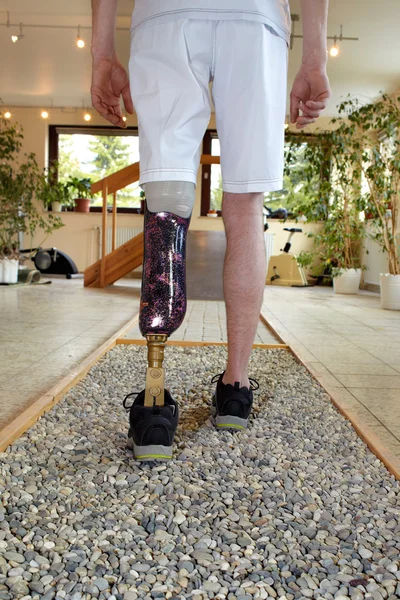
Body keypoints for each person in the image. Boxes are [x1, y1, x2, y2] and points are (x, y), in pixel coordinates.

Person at [91, 0, 331, 460]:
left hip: (167, 14)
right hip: (255, 16)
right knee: (244, 206)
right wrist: (315, 57)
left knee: (166, 198)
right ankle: (235, 389)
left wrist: (102, 53)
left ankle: (155, 405)